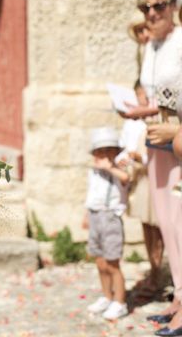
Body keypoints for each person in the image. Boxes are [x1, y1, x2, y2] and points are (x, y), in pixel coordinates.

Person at [124, 0, 182, 336]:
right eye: (144, 7)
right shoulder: (150, 48)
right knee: (167, 223)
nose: (151, 13)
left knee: (181, 222)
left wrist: (175, 130)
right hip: (156, 143)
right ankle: (179, 296)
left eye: (158, 5)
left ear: (173, 6)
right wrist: (137, 113)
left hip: (177, 143)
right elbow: (158, 99)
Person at [83, 127, 130, 320]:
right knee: (100, 262)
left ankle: (120, 302)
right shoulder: (93, 172)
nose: (103, 155)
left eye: (108, 150)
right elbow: (91, 193)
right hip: (95, 216)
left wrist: (110, 167)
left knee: (112, 263)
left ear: (116, 152)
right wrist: (86, 215)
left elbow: (126, 178)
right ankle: (107, 296)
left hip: (110, 218)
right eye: (99, 151)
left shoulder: (119, 171)